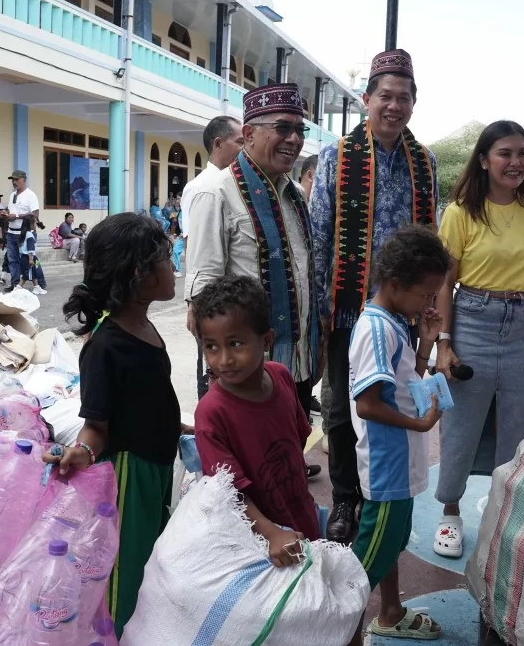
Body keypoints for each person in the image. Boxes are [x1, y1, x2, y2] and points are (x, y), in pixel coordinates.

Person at [310, 49, 438, 543]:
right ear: (366, 99)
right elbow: (322, 235)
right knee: (343, 408)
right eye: (385, 95)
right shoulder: (336, 157)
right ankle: (346, 497)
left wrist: (427, 305)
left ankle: (383, 491)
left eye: (404, 98)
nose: (394, 106)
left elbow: (428, 238)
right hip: (346, 311)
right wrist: (322, 311)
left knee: (393, 401)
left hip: (400, 315)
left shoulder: (423, 162)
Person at [44, 212, 185, 639]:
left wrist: (183, 428)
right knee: (127, 575)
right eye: (165, 256)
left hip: (158, 467)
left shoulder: (143, 324)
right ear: (140, 274)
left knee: (152, 564)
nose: (174, 265)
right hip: (131, 475)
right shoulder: (104, 346)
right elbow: (97, 426)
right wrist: (81, 452)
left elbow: (147, 399)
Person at [432, 120, 524, 558]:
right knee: (462, 423)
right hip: (472, 321)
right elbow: (445, 283)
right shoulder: (460, 213)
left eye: (522, 153)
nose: (516, 162)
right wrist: (444, 342)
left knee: (516, 424)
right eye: (505, 153)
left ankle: (504, 509)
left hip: (520, 324)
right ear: (484, 160)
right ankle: (450, 514)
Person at [186, 83, 322, 479]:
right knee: (245, 469)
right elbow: (203, 288)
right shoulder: (216, 192)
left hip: (292, 359)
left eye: (300, 130)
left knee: (283, 456)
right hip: (245, 367)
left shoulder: (294, 193)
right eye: (282, 128)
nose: (294, 139)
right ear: (248, 135)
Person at [347, 226, 447, 644]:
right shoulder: (376, 329)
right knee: (362, 567)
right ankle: (338, 633)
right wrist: (422, 424)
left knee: (390, 544)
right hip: (388, 466)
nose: (430, 303)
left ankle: (389, 611)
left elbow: (405, 386)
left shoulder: (393, 322)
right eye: (426, 295)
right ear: (394, 284)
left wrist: (424, 346)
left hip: (401, 464)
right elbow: (367, 404)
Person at [192, 276, 320, 567]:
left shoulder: (281, 376)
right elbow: (228, 495)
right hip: (258, 544)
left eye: (235, 344)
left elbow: (296, 443)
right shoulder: (212, 413)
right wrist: (272, 533)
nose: (223, 359)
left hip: (300, 518)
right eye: (211, 347)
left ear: (266, 340)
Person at [182, 115, 245, 399]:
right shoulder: (204, 187)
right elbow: (196, 248)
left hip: (234, 301)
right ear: (219, 144)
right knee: (212, 373)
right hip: (213, 297)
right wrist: (195, 304)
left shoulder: (235, 185)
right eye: (240, 141)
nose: (246, 148)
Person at [1, 170, 39, 293]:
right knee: (12, 260)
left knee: (29, 260)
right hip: (11, 232)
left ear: (24, 180)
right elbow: (11, 209)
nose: (14, 182)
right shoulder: (12, 195)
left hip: (24, 234)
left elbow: (35, 214)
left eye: (17, 179)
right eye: (13, 180)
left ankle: (39, 282)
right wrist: (6, 213)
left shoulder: (30, 195)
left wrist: (16, 216)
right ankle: (15, 284)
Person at [17, 214, 47, 295]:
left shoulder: (23, 234)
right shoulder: (30, 235)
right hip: (29, 257)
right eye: (34, 223)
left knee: (33, 271)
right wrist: (31, 259)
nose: (36, 225)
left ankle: (36, 287)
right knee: (29, 273)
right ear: (30, 225)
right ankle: (19, 287)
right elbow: (30, 248)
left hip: (27, 257)